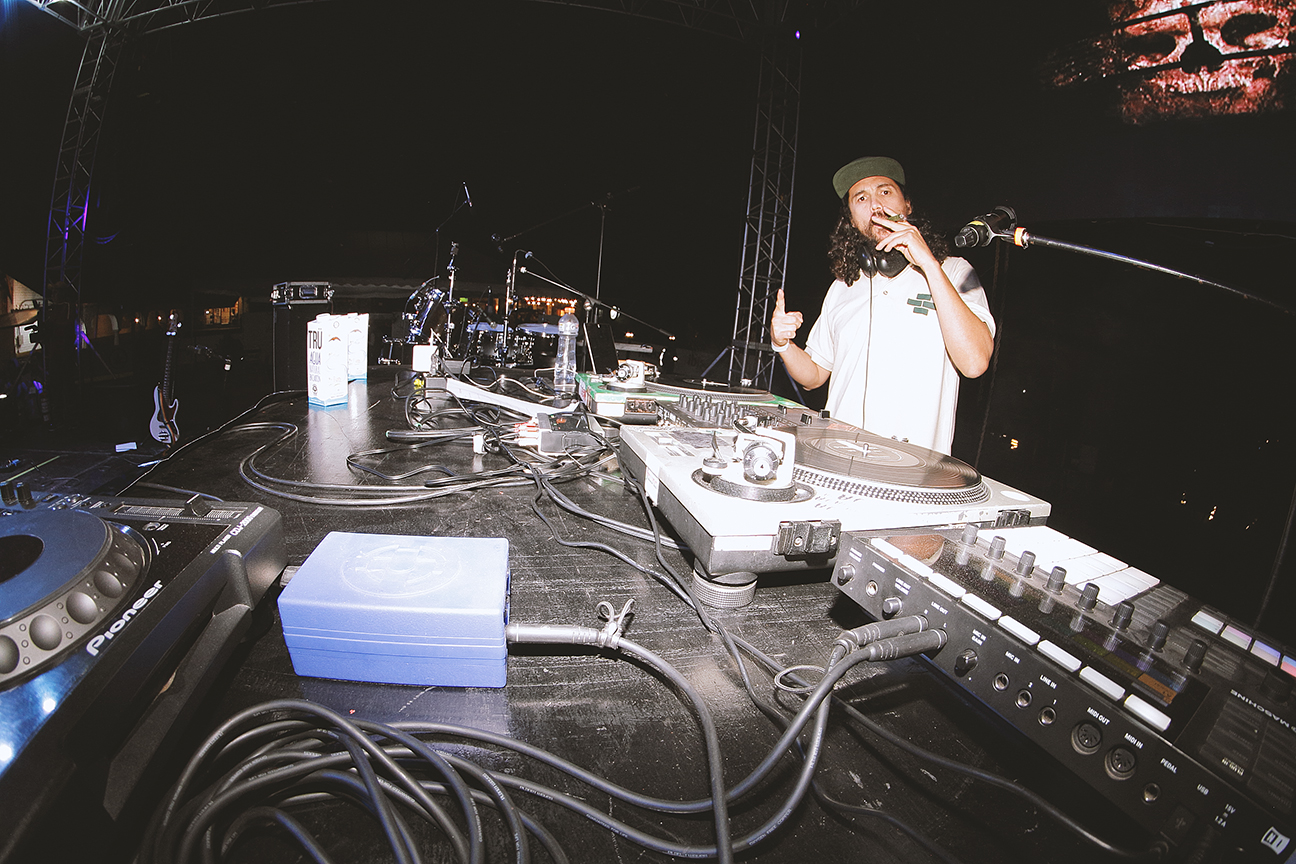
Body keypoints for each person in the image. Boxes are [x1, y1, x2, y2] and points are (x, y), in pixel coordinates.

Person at [770, 156, 995, 455]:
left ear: (907, 205)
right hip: (836, 457)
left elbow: (975, 363)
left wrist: (929, 263)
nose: (875, 205)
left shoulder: (954, 272)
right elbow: (814, 376)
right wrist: (782, 344)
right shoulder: (842, 287)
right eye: (861, 198)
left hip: (913, 470)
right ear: (851, 219)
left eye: (885, 192)